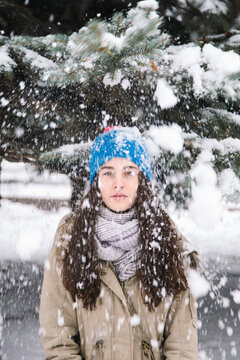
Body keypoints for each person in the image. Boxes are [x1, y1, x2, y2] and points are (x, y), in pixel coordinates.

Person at [39, 126, 199, 360]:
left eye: (129, 172)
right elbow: (59, 340)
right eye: (108, 172)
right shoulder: (70, 240)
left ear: (142, 179)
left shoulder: (169, 243)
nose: (118, 183)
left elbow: (182, 348)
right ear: (96, 180)